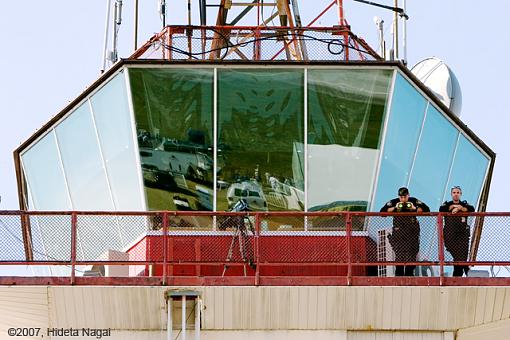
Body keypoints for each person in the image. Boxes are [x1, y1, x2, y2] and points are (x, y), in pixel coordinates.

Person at [380, 187, 430, 276]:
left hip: (412, 233)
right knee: (399, 256)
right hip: (399, 233)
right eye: (401, 197)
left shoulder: (413, 200)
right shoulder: (394, 202)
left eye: (405, 197)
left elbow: (426, 209)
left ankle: (409, 276)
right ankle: (399, 278)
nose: (403, 199)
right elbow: (382, 213)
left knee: (411, 256)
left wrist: (414, 208)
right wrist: (395, 208)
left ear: (408, 195)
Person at [439, 186, 475, 277]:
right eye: (454, 192)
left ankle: (456, 277)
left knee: (460, 257)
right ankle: (466, 270)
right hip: (450, 236)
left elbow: (471, 209)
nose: (456, 194)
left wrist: (460, 208)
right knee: (458, 257)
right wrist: (453, 207)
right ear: (451, 194)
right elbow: (441, 210)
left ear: (460, 194)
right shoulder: (447, 204)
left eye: (458, 192)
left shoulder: (464, 204)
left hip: (463, 236)